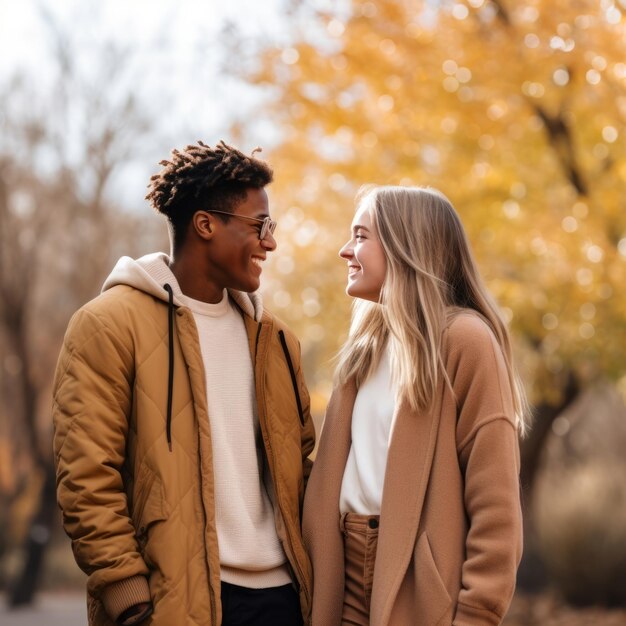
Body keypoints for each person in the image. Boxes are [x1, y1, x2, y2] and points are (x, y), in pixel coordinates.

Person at [52, 140, 315, 626]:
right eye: (260, 226)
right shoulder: (108, 325)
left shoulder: (276, 341)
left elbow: (301, 465)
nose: (271, 242)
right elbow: (86, 475)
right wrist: (128, 596)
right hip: (175, 603)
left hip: (284, 601)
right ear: (206, 224)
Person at [302, 185, 528, 626]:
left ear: (407, 245)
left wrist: (476, 614)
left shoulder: (465, 342)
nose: (345, 250)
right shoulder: (361, 352)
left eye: (362, 236)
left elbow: (496, 510)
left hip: (419, 594)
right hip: (340, 583)